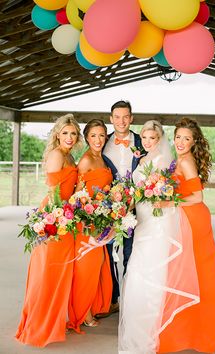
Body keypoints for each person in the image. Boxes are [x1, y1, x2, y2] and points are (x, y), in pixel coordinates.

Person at [119, 120, 201, 353]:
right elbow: (138, 191)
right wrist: (124, 207)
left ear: (159, 139)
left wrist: (162, 199)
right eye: (144, 138)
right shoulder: (143, 159)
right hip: (142, 221)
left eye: (151, 138)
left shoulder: (164, 161)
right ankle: (139, 324)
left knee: (151, 271)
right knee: (136, 270)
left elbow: (167, 191)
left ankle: (152, 330)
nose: (147, 142)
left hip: (157, 222)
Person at [157, 117, 215, 353]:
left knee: (197, 269)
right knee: (194, 270)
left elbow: (198, 197)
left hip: (194, 218)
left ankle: (203, 324)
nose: (180, 142)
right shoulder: (180, 159)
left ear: (193, 142)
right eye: (178, 137)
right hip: (189, 216)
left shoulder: (187, 161)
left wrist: (170, 201)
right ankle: (194, 322)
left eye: (186, 138)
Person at [15, 114, 83, 347]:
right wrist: (58, 220)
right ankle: (39, 325)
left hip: (66, 214)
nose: (70, 137)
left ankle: (52, 323)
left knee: (58, 272)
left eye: (73, 133)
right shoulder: (56, 155)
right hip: (55, 216)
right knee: (48, 271)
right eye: (65, 133)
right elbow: (54, 191)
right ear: (57, 134)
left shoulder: (71, 156)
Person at [67, 119, 113, 332]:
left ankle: (90, 309)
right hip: (87, 223)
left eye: (102, 135)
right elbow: (77, 195)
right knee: (87, 268)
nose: (98, 140)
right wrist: (89, 215)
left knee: (98, 266)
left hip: (100, 220)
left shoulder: (102, 159)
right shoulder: (86, 161)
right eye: (94, 135)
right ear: (87, 137)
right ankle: (83, 314)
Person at [101, 100, 142, 316]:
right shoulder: (103, 141)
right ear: (111, 119)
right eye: (117, 117)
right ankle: (114, 298)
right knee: (108, 252)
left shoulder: (142, 141)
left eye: (125, 116)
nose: (121, 121)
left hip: (137, 207)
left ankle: (132, 299)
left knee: (132, 253)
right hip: (110, 207)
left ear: (131, 118)